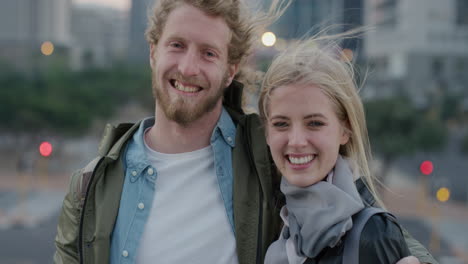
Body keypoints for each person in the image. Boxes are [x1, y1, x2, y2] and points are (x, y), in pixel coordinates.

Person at [53, 0, 437, 263]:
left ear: (231, 69)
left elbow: (363, 217)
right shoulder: (90, 186)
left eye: (208, 53)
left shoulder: (266, 153)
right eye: (176, 45)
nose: (188, 68)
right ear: (153, 51)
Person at [258, 36, 425, 263]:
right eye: (280, 124)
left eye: (314, 123)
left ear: (345, 130)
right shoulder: (278, 223)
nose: (296, 141)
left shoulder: (373, 233)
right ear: (267, 133)